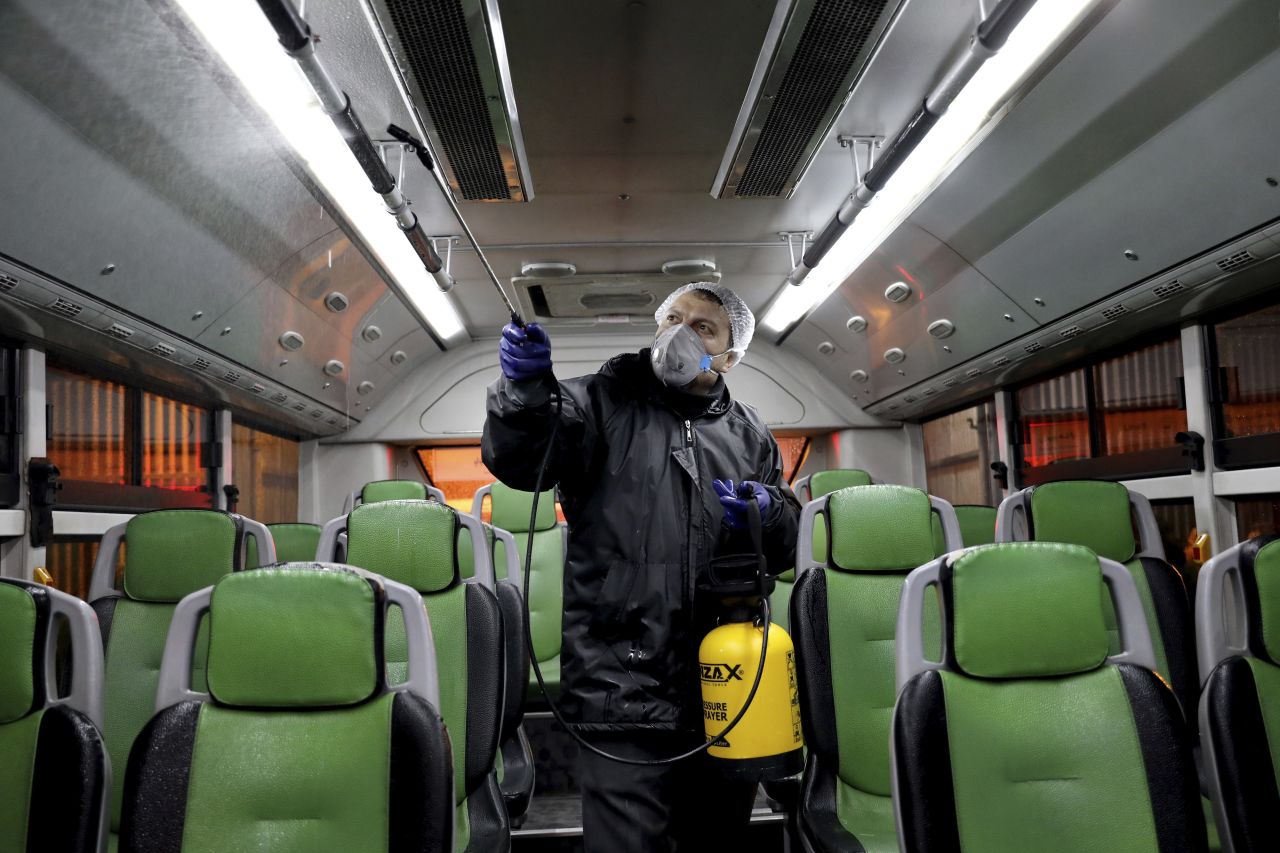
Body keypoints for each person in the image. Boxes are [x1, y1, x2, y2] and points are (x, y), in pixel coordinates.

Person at [482, 282, 802, 851]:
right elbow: (521, 456)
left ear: (730, 355)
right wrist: (525, 392)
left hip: (722, 682)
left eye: (703, 327)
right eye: (673, 318)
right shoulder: (598, 403)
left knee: (718, 840)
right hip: (620, 682)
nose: (681, 333)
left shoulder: (750, 433)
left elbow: (785, 545)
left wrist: (769, 512)